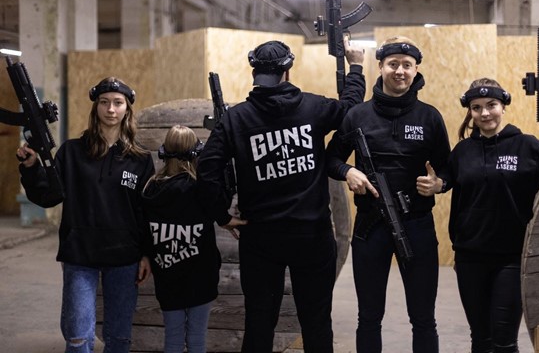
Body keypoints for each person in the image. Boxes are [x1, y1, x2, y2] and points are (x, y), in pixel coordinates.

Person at [196, 38, 366, 352]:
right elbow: (351, 109)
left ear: (254, 73)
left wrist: (222, 215)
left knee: (259, 324)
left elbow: (207, 169)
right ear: (287, 72)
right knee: (316, 323)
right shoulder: (313, 108)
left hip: (260, 238)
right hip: (312, 236)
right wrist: (355, 66)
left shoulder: (236, 119)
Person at [416, 77, 539, 353]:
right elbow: (446, 179)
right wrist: (437, 185)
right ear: (470, 112)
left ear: (503, 106)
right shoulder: (463, 151)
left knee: (504, 342)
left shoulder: (527, 147)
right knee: (480, 340)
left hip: (511, 258)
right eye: (477, 107)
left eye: (491, 105)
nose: (484, 113)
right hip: (470, 258)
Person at [326, 35, 450, 353]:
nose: (400, 71)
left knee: (424, 319)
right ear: (380, 66)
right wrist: (348, 171)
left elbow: (448, 169)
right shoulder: (358, 116)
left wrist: (438, 184)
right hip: (371, 227)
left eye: (407, 65)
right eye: (393, 64)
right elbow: (331, 159)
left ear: (416, 69)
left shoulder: (430, 117)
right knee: (369, 318)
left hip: (417, 225)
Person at [17, 77, 155, 353]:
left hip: (124, 256)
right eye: (104, 102)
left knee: (119, 339)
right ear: (96, 107)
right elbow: (48, 196)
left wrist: (146, 254)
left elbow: (146, 211)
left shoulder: (140, 159)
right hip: (80, 254)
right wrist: (31, 168)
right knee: (78, 339)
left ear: (127, 108)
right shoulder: (72, 152)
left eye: (118, 103)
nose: (111, 109)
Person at [141, 125, 246, 353]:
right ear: (196, 152)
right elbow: (222, 204)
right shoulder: (201, 189)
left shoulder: (150, 189)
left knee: (173, 339)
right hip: (202, 278)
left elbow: (145, 233)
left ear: (164, 151)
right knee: (197, 339)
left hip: (167, 277)